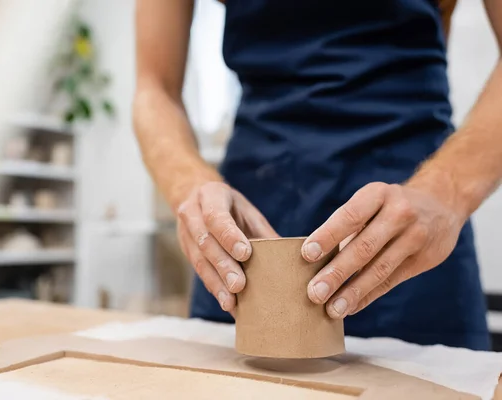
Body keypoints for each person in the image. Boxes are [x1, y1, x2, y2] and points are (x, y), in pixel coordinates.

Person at [133, 0, 502, 351]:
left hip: (410, 232)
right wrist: (190, 187)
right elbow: (155, 87)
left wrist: (446, 192)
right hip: (248, 235)